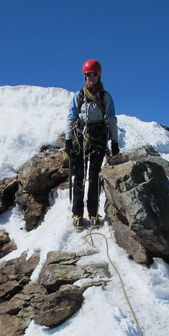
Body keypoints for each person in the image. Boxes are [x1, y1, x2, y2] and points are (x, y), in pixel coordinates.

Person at [65, 59, 119, 230]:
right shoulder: (79, 96)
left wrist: (114, 141)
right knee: (79, 176)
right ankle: (78, 214)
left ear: (99, 75)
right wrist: (68, 139)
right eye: (88, 75)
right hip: (80, 138)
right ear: (84, 75)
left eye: (94, 74)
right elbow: (71, 117)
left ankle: (93, 213)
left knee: (94, 177)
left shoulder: (105, 96)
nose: (91, 78)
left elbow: (111, 119)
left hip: (98, 139)